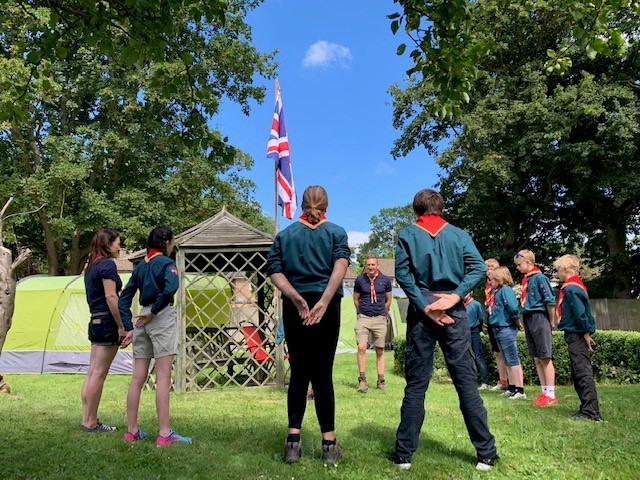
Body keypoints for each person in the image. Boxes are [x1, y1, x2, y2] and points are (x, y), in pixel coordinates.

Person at [388, 189, 498, 472]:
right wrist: (456, 296)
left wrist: (427, 306)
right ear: (441, 208)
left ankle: (403, 455)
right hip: (454, 312)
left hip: (423, 312)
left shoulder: (407, 235)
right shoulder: (459, 235)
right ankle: (486, 454)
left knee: (416, 385)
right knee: (466, 383)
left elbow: (403, 275)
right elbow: (477, 268)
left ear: (416, 210)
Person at [267, 185, 350, 465]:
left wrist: (294, 297)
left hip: (296, 307)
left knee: (300, 372)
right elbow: (340, 265)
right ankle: (328, 444)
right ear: (327, 204)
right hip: (326, 306)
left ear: (301, 205)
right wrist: (325, 301)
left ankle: (293, 442)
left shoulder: (285, 234)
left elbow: (274, 270)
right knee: (323, 373)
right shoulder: (336, 232)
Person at [119, 226, 191, 446]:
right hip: (158, 317)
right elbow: (170, 289)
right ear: (166, 242)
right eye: (173, 242)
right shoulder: (167, 265)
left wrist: (128, 326)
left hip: (141, 320)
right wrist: (154, 311)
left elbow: (124, 298)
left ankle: (131, 431)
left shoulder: (141, 267)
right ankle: (164, 433)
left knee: (137, 378)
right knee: (162, 377)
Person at [81, 229, 133, 432]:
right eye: (117, 243)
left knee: (92, 372)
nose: (119, 247)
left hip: (95, 321)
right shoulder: (107, 265)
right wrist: (121, 326)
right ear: (107, 244)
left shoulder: (91, 266)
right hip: (107, 322)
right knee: (99, 374)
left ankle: (87, 419)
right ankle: (91, 422)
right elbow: (111, 297)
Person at [553, 255, 602, 421]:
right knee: (578, 371)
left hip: (577, 334)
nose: (557, 273)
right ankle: (585, 408)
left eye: (558, 270)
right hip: (576, 333)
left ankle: (591, 412)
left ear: (566, 268)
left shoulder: (571, 288)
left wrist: (585, 334)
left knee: (582, 372)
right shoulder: (574, 286)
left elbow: (580, 314)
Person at [514, 249, 558, 407]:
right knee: (537, 358)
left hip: (539, 317)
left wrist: (551, 322)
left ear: (528, 262)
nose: (517, 268)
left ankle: (551, 394)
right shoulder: (526, 280)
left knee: (545, 356)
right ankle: (544, 391)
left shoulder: (539, 277)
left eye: (519, 265)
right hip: (528, 317)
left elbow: (550, 301)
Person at [353, 256, 392, 393]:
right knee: (362, 346)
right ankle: (362, 381)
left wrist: (383, 311)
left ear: (378, 265)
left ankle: (381, 381)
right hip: (363, 317)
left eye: (373, 264)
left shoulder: (385, 280)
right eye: (368, 264)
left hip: (379, 318)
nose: (370, 267)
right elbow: (356, 299)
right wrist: (360, 312)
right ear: (366, 266)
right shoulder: (359, 279)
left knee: (380, 349)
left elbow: (388, 300)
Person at [488, 267, 525, 400]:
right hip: (498, 328)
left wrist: (517, 321)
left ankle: (520, 390)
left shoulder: (506, 290)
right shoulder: (497, 291)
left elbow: (512, 308)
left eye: (493, 277)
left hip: (506, 328)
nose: (490, 280)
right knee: (507, 359)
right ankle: (512, 387)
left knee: (513, 359)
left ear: (500, 277)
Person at [484, 258, 509, 392]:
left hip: (501, 321)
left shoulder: (500, 287)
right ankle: (502, 380)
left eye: (492, 268)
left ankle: (513, 383)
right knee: (497, 352)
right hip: (491, 318)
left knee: (505, 352)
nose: (489, 271)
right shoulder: (488, 285)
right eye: (487, 268)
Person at [464, 292, 489, 390]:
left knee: (478, 357)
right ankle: (470, 381)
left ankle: (484, 382)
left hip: (474, 332)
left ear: (470, 293)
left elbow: (481, 319)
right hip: (464, 333)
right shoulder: (461, 305)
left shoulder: (476, 304)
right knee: (466, 357)